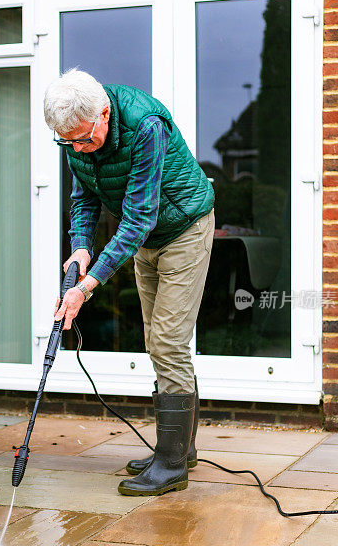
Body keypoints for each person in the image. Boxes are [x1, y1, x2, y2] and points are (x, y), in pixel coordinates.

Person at [43, 68, 215, 497]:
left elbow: (139, 217)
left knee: (168, 341)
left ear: (104, 114)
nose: (79, 147)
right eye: (69, 142)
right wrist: (81, 246)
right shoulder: (76, 136)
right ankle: (179, 448)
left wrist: (87, 286)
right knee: (157, 338)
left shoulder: (145, 126)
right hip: (145, 239)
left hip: (184, 230)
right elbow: (83, 195)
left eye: (84, 138)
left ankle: (171, 465)